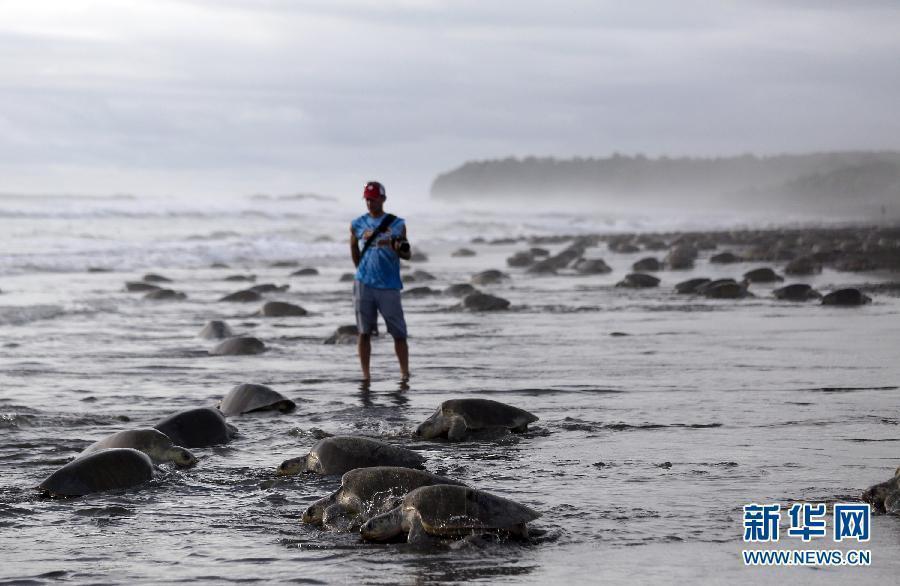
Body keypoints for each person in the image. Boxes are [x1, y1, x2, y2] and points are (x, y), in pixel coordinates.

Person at [350, 180, 411, 381]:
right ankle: (366, 375)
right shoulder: (357, 223)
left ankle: (404, 373)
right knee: (364, 331)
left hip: (389, 285)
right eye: (367, 199)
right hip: (364, 284)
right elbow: (353, 247)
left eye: (373, 199)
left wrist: (396, 247)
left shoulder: (397, 223)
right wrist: (360, 268)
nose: (370, 203)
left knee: (398, 333)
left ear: (383, 199)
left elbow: (406, 253)